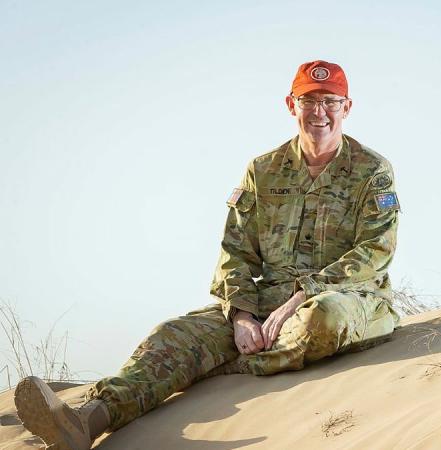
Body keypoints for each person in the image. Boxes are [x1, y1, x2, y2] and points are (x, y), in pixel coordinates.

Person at [14, 60, 401, 449]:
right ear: (291, 104)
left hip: (351, 298)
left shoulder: (372, 171)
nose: (320, 112)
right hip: (266, 303)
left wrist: (304, 295)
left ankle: (220, 365)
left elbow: (375, 251)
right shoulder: (263, 171)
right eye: (309, 101)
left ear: (346, 108)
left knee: (323, 319)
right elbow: (235, 250)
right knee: (174, 336)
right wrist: (242, 315)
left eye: (330, 102)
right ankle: (86, 420)